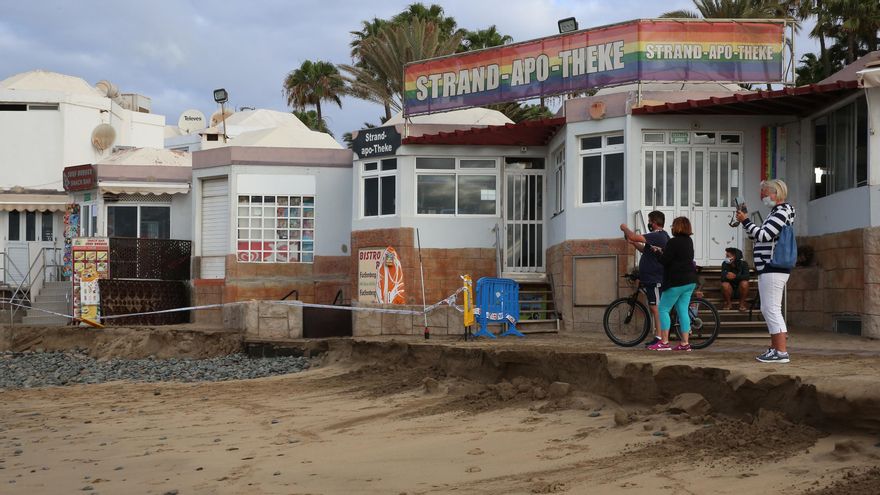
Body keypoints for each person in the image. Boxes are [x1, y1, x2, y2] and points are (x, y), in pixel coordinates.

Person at [735, 179, 796, 364]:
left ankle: (781, 351)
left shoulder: (781, 211)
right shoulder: (777, 212)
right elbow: (758, 235)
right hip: (769, 267)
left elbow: (763, 235)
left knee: (772, 309)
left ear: (775, 193)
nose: (762, 196)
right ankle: (775, 348)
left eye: (764, 193)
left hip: (773, 266)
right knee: (768, 308)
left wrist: (745, 221)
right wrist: (747, 223)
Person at [649, 216, 699, 351]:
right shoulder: (689, 241)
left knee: (663, 309)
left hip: (676, 281)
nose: (671, 227)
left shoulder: (673, 242)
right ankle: (685, 343)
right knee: (682, 310)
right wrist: (663, 252)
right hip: (690, 280)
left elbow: (665, 261)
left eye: (673, 225)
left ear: (677, 227)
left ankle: (664, 342)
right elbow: (679, 257)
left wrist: (657, 252)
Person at [620, 211, 669, 347]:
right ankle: (659, 336)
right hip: (650, 278)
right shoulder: (655, 238)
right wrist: (634, 244)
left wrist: (624, 227)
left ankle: (661, 338)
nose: (648, 223)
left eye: (649, 220)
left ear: (654, 222)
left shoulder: (658, 236)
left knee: (657, 309)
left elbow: (633, 235)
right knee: (654, 307)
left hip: (655, 278)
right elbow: (645, 250)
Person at [720, 247, 751, 311]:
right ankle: (728, 304)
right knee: (724, 284)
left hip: (740, 289)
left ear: (734, 256)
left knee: (745, 283)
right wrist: (727, 276)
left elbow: (747, 277)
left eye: (728, 256)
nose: (726, 258)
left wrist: (735, 277)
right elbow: (722, 278)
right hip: (730, 289)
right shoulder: (725, 264)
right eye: (726, 256)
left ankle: (742, 304)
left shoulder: (744, 264)